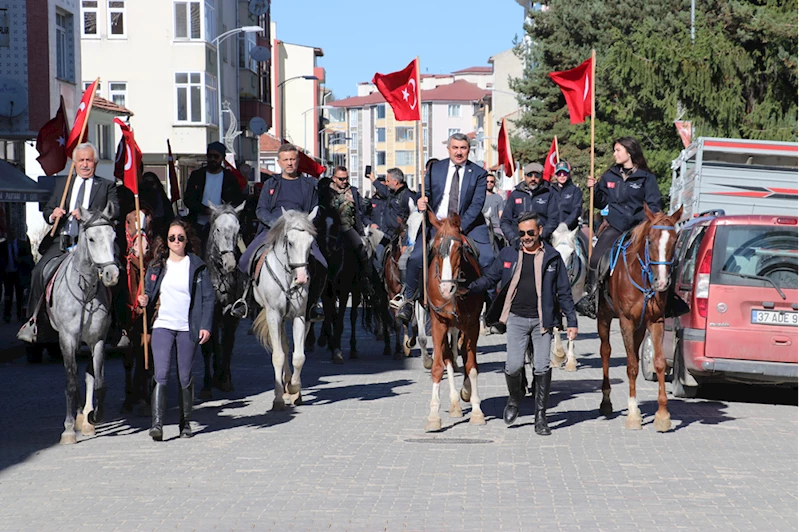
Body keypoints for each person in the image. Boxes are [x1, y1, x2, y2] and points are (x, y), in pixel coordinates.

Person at [468, 212, 577, 434]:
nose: (526, 237)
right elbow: (490, 278)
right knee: (513, 366)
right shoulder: (509, 254)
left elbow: (564, 292)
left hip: (542, 321)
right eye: (521, 233)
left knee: (541, 367)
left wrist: (572, 322)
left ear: (539, 231)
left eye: (530, 233)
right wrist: (467, 288)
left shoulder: (552, 257)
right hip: (516, 319)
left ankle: (540, 417)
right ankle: (515, 398)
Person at [397, 134, 494, 323]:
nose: (459, 152)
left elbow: (477, 204)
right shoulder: (435, 168)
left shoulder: (479, 173)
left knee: (489, 258)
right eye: (455, 147)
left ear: (469, 149)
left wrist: (459, 227)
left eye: (463, 148)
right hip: (437, 223)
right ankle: (408, 300)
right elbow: (425, 193)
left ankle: (491, 305)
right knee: (416, 257)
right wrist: (421, 201)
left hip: (468, 224)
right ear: (449, 148)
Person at [22, 142, 120, 330]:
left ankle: (118, 325)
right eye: (81, 160)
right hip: (63, 241)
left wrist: (88, 214)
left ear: (95, 163)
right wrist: (53, 214)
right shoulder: (63, 184)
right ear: (74, 163)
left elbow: (115, 210)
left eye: (89, 160)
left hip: (95, 246)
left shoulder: (106, 186)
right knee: (37, 273)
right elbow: (48, 210)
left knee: (117, 274)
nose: (85, 164)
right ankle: (33, 323)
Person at [137, 220, 214, 441]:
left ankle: (186, 423)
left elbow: (208, 298)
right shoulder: (156, 266)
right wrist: (144, 299)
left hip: (187, 326)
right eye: (172, 238)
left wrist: (206, 326)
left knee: (185, 376)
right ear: (167, 241)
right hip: (163, 325)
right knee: (160, 374)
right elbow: (148, 294)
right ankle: (157, 424)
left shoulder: (197, 266)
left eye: (180, 237)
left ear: (187, 239)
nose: (177, 242)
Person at [234, 143, 326, 321]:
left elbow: (315, 210)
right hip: (272, 230)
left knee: (322, 264)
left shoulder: (308, 185)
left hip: (299, 233)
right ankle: (244, 300)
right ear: (279, 162)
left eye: (292, 159)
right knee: (245, 260)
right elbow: (261, 210)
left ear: (298, 161)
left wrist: (302, 225)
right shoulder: (271, 183)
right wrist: (277, 225)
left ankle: (313, 304)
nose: (289, 163)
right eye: (286, 160)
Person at [575, 136, 662, 318]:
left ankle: (665, 299)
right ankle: (591, 299)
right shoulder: (609, 175)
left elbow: (654, 206)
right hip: (615, 226)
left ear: (629, 152)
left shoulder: (647, 177)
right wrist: (595, 189)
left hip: (639, 227)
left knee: (661, 257)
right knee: (595, 258)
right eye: (614, 150)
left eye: (618, 150)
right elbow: (600, 202)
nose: (614, 154)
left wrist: (648, 225)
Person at [183, 141, 245, 241]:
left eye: (216, 156)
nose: (212, 159)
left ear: (222, 158)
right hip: (198, 224)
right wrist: (205, 210)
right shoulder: (197, 175)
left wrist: (222, 212)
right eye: (209, 156)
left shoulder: (230, 178)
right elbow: (188, 199)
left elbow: (236, 201)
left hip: (222, 225)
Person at [501, 162, 559, 248]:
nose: (533, 179)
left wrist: (540, 235)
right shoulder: (515, 194)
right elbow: (504, 221)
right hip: (518, 242)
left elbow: (553, 220)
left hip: (541, 242)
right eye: (530, 175)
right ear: (525, 176)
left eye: (537, 176)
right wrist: (513, 238)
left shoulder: (548, 194)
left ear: (541, 176)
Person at [0, 228, 32, 322]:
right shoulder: (2, 246)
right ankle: (7, 315)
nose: (11, 234)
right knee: (8, 295)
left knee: (20, 295)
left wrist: (21, 260)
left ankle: (19, 315)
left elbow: (29, 257)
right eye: (9, 233)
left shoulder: (23, 244)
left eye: (13, 232)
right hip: (8, 274)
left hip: (19, 273)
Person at [549, 161, 583, 231]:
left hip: (570, 229)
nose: (562, 175)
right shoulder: (549, 190)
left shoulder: (575, 190)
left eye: (564, 173)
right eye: (559, 173)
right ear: (556, 175)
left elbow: (577, 210)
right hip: (552, 229)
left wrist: (565, 224)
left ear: (569, 174)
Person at [139, 172, 174, 238]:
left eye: (151, 183)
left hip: (161, 228)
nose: (149, 186)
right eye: (146, 183)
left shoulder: (162, 198)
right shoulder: (141, 199)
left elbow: (169, 215)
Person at [482, 172, 505, 239]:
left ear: (494, 183)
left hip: (496, 227)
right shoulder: (479, 197)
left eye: (491, 182)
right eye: (487, 181)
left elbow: (501, 215)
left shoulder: (498, 198)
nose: (489, 183)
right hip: (482, 226)